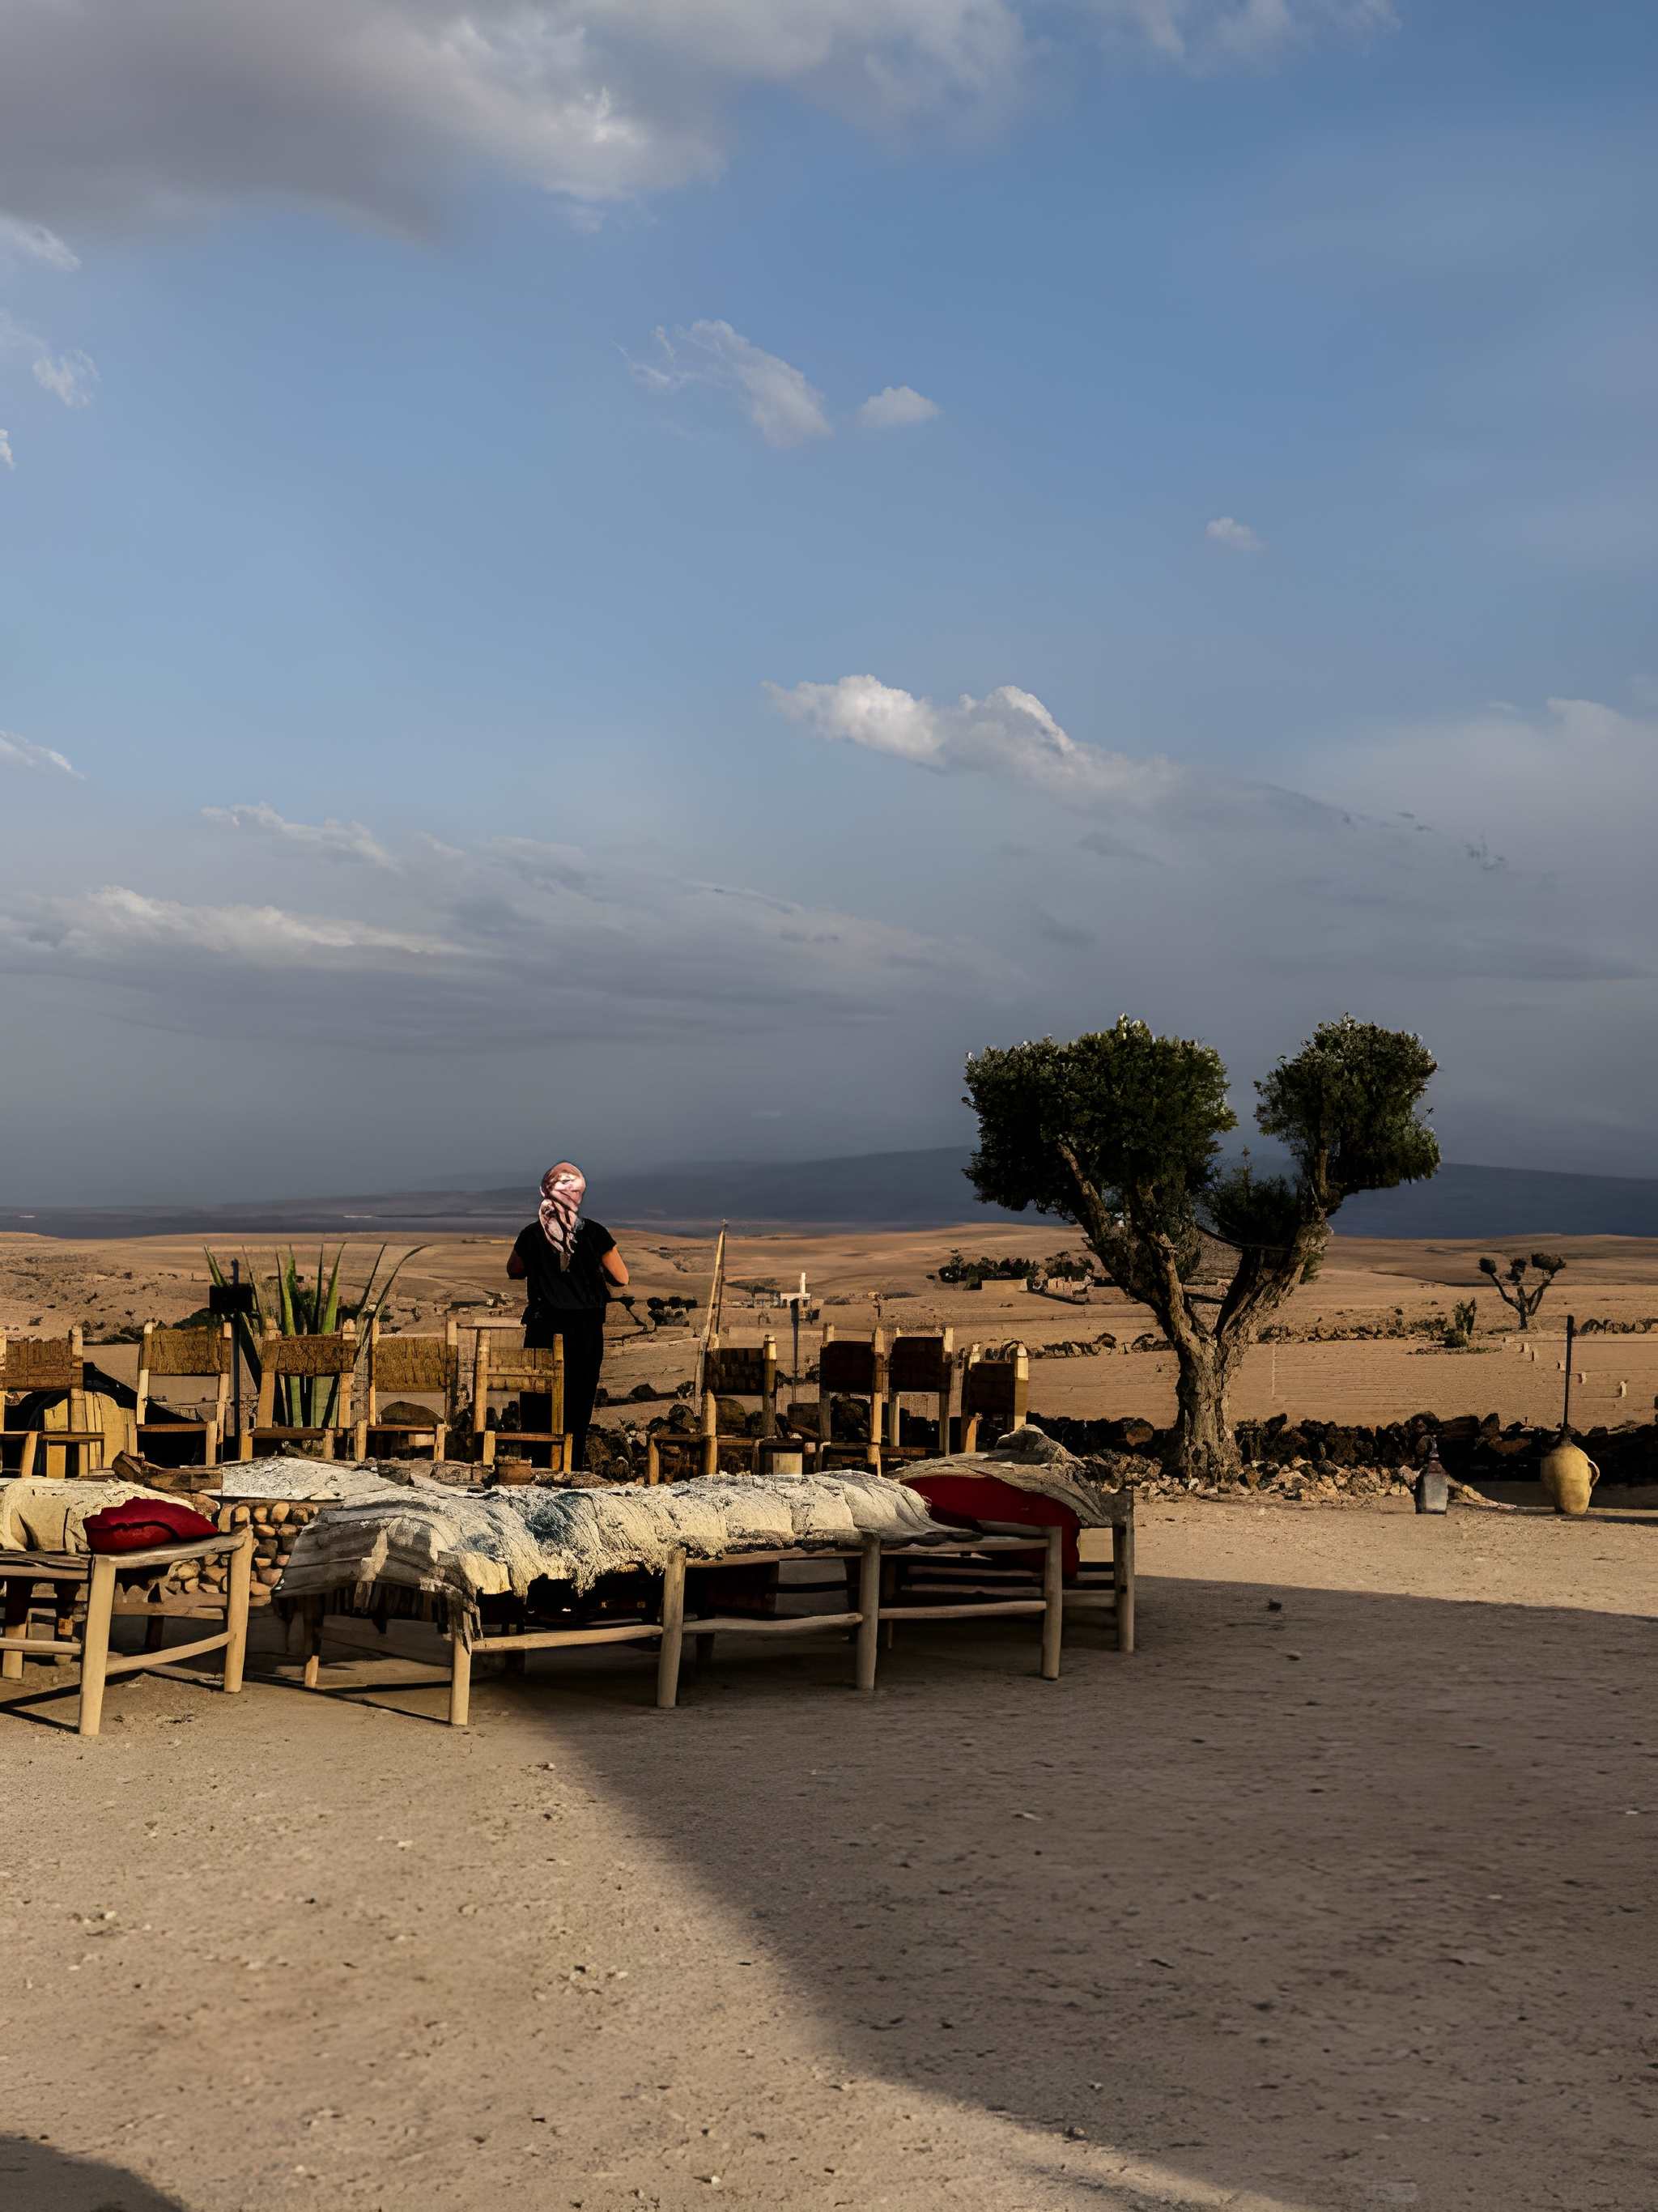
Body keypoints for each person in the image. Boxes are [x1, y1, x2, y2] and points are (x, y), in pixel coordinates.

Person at [505, 1162, 628, 1470]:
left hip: (542, 1328)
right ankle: (570, 1466)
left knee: (536, 1400)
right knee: (578, 1400)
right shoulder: (595, 1233)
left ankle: (535, 1465)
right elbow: (622, 1277)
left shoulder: (532, 1234)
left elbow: (514, 1270)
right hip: (584, 1332)